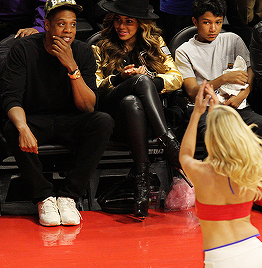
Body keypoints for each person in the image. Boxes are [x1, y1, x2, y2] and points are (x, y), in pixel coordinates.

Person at [1, 0, 114, 226]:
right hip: (34, 120)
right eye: (61, 24)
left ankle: (69, 196)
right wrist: (23, 128)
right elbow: (10, 97)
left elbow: (89, 107)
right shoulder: (23, 49)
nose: (68, 31)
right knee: (12, 127)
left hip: (70, 121)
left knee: (103, 121)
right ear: (47, 25)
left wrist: (72, 67)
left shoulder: (82, 52)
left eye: (72, 25)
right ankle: (43, 197)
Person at [92, 0, 184, 218]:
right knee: (136, 85)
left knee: (132, 100)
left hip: (147, 120)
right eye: (118, 20)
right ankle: (170, 144)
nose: (121, 26)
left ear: (142, 24)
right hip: (114, 120)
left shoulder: (155, 44)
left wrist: (151, 82)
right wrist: (119, 78)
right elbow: (94, 88)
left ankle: (141, 183)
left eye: (129, 21)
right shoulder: (100, 46)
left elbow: (176, 78)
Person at [175, 0, 262, 213]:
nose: (213, 28)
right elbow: (191, 91)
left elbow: (252, 68)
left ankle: (258, 186)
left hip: (238, 105)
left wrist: (244, 93)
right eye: (207, 23)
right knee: (215, 134)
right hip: (207, 109)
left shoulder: (232, 39)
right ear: (195, 22)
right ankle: (224, 186)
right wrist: (223, 78)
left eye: (217, 22)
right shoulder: (184, 50)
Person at [179, 80, 262, 267]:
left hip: (220, 258)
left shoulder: (201, 172)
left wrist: (197, 113)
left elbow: (185, 154)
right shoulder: (251, 169)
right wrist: (218, 113)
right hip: (256, 252)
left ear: (210, 137)